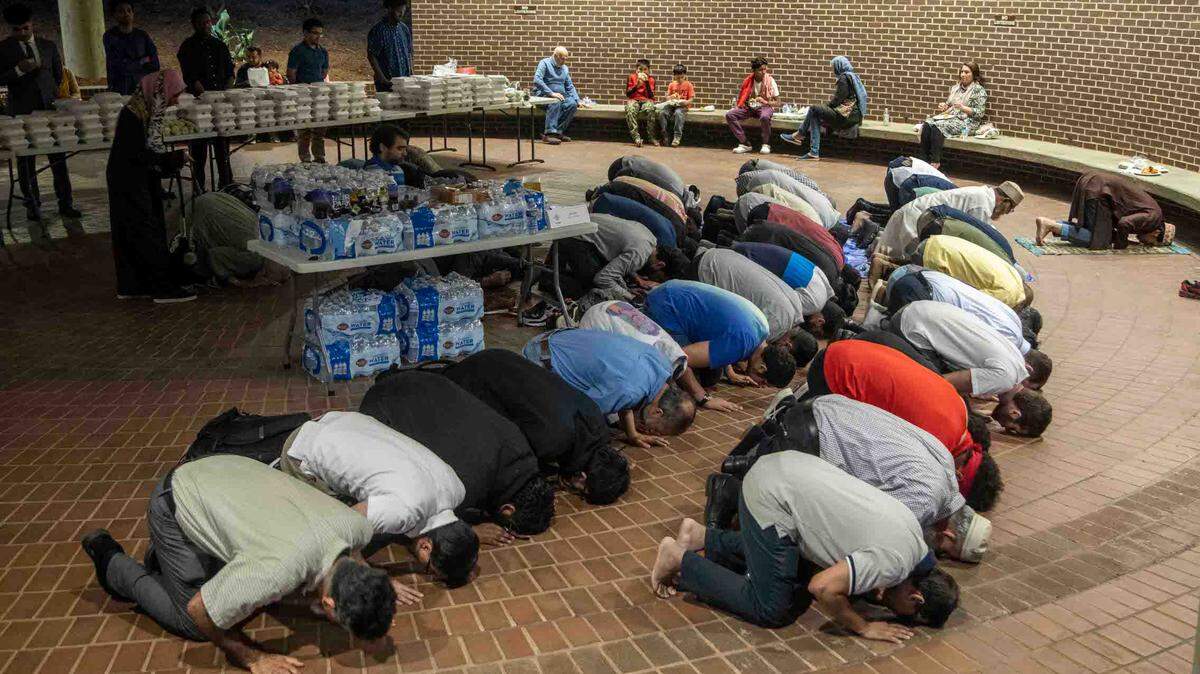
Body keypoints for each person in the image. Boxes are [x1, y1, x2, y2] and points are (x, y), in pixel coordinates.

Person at [80, 455, 397, 671]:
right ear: (328, 604)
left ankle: (168, 558)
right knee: (196, 624)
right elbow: (200, 609)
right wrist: (252, 657)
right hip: (178, 495)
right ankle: (111, 561)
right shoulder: (276, 572)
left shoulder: (357, 527)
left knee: (258, 590)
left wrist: (376, 598)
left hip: (233, 470)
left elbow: (355, 560)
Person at [651, 451, 958, 636]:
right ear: (916, 598)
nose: (892, 611)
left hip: (789, 469)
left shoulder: (915, 537)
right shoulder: (895, 563)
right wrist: (862, 627)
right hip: (771, 493)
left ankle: (701, 537)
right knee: (770, 606)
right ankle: (679, 559)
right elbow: (822, 587)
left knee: (793, 570)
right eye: (905, 613)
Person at [761, 394, 992, 561]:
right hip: (814, 435)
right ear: (948, 536)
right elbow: (867, 531)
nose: (936, 551)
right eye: (943, 551)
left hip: (825, 404)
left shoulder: (946, 463)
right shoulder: (926, 502)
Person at [278, 411, 479, 588]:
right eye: (429, 569)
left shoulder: (457, 488)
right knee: (321, 539)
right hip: (302, 449)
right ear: (426, 546)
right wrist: (374, 577)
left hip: (343, 419)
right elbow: (344, 528)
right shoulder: (402, 511)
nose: (425, 571)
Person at [360, 370, 556, 546]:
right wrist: (470, 532)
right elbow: (419, 515)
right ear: (507, 510)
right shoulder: (465, 485)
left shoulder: (522, 449)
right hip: (381, 407)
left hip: (420, 379)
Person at [803, 340, 1003, 512]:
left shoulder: (961, 409)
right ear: (958, 476)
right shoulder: (935, 447)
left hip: (852, 351)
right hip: (834, 374)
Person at [437, 349, 631, 505]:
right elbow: (511, 459)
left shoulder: (596, 420)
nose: (574, 489)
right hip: (471, 380)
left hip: (499, 358)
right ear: (581, 476)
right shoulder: (552, 441)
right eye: (580, 489)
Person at [888, 301, 1053, 436]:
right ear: (1015, 413)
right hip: (913, 325)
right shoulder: (1004, 378)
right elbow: (941, 384)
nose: (1001, 425)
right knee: (927, 393)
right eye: (1010, 428)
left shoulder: (1017, 364)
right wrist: (965, 417)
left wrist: (970, 412)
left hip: (923, 310)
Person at [522, 328, 696, 448]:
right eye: (656, 430)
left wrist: (632, 434)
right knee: (563, 427)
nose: (651, 431)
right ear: (658, 412)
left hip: (557, 339)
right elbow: (583, 417)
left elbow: (624, 396)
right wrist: (604, 458)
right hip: (538, 357)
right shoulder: (630, 389)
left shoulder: (663, 367)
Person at [107, 70, 194, 303]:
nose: (175, 100)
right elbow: (138, 155)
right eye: (174, 94)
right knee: (145, 230)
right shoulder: (132, 115)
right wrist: (174, 159)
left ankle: (134, 285)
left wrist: (169, 161)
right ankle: (161, 288)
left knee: (136, 230)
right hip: (129, 181)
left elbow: (147, 154)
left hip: (136, 177)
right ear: (160, 90)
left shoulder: (147, 113)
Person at [579, 300, 742, 414]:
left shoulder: (668, 352)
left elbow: (683, 368)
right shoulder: (636, 371)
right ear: (657, 412)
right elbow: (611, 392)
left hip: (617, 308)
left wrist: (704, 400)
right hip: (597, 319)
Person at [0, 3, 79, 233]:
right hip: (22, 112)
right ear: (10, 29)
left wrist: (54, 94)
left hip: (49, 110)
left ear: (32, 24)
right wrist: (19, 70)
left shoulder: (48, 46)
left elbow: (57, 74)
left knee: (58, 159)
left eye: (25, 28)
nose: (22, 33)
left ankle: (66, 203)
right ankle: (32, 206)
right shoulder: (4, 49)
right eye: (17, 30)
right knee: (26, 162)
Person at [644, 280, 797, 389]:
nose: (760, 386)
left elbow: (725, 335)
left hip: (675, 291)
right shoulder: (741, 344)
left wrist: (730, 372)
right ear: (762, 368)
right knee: (686, 380)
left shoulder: (763, 330)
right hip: (665, 304)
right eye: (764, 383)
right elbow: (680, 357)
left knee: (712, 373)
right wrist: (703, 399)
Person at [690, 247, 828, 346]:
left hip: (720, 255)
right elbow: (735, 341)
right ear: (788, 343)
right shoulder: (778, 324)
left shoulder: (795, 304)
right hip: (706, 270)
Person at [882, 265, 1032, 354]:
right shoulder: (1007, 344)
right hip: (917, 291)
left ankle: (881, 302)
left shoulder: (1014, 320)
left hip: (920, 275)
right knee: (900, 349)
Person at [874, 181, 1024, 261]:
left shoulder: (984, 196)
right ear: (1004, 201)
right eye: (1009, 209)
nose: (1006, 213)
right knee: (902, 259)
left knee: (890, 252)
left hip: (917, 214)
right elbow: (976, 236)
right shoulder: (983, 204)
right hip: (916, 218)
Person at [1034, 171, 1176, 250]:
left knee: (1097, 232)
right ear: (1157, 232)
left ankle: (1053, 224)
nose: (1145, 242)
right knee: (1098, 241)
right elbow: (1124, 223)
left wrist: (1120, 238)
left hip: (1095, 184)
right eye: (1150, 242)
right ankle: (1052, 226)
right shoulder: (1153, 218)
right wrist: (1122, 245)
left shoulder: (1153, 214)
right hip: (1100, 191)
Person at [177, 8, 234, 189]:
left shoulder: (220, 45)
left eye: (208, 22)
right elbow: (187, 75)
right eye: (201, 23)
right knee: (199, 153)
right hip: (198, 104)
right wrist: (196, 85)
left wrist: (226, 91)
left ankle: (226, 186)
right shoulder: (187, 47)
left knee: (223, 152)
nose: (206, 26)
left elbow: (230, 72)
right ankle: (200, 189)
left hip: (220, 104)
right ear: (193, 24)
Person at [183, 190, 288, 288]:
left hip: (210, 199)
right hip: (193, 217)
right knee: (204, 266)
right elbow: (215, 256)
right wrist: (243, 283)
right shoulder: (256, 259)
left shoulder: (269, 234)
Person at [550, 213, 660, 305]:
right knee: (593, 289)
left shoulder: (650, 238)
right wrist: (630, 296)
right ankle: (551, 284)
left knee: (612, 282)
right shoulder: (641, 252)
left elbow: (627, 259)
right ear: (661, 265)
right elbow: (602, 279)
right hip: (573, 235)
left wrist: (631, 284)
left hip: (579, 224)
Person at [782, 56, 868, 161]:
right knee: (815, 116)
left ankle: (799, 134)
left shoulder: (844, 78)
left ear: (838, 67)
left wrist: (824, 107)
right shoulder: (853, 77)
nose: (833, 70)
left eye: (834, 67)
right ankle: (813, 152)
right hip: (853, 116)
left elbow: (837, 101)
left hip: (846, 116)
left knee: (814, 108)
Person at [912, 235, 1031, 309]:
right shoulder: (1009, 295)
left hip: (938, 243)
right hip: (936, 257)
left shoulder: (1015, 276)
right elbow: (971, 304)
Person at [919, 62, 988, 168]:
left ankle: (935, 162)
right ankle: (923, 160)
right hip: (951, 118)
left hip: (968, 122)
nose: (963, 75)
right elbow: (950, 105)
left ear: (974, 75)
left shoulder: (979, 91)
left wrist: (963, 108)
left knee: (938, 126)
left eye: (966, 72)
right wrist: (944, 106)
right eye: (962, 72)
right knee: (928, 124)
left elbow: (980, 113)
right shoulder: (956, 88)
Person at [289, 18, 330, 163]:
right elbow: (291, 73)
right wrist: (300, 89)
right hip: (303, 95)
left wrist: (317, 83)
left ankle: (319, 157)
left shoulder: (323, 52)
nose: (318, 36)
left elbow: (324, 71)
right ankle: (305, 159)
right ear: (305, 33)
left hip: (319, 95)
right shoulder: (297, 51)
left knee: (319, 129)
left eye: (320, 33)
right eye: (314, 33)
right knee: (304, 131)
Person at [103, 0, 160, 96]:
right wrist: (142, 61)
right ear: (115, 15)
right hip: (120, 86)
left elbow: (154, 63)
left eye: (129, 11)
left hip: (143, 86)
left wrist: (134, 64)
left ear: (133, 13)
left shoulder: (142, 36)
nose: (126, 14)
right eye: (121, 11)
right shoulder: (110, 36)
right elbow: (119, 65)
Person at [725, 56, 778, 155]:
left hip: (765, 107)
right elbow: (743, 97)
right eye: (760, 70)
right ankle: (745, 143)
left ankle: (766, 144)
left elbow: (778, 102)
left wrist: (765, 101)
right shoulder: (748, 81)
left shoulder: (770, 81)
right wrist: (748, 102)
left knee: (765, 117)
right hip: (750, 107)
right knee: (730, 115)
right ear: (754, 70)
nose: (763, 72)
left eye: (765, 69)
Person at [532, 47, 579, 145]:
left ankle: (558, 132)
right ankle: (549, 133)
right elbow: (537, 80)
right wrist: (551, 93)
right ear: (555, 56)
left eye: (566, 58)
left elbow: (569, 86)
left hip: (560, 96)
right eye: (562, 58)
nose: (564, 61)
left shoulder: (565, 68)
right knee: (555, 100)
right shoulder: (544, 63)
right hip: (543, 95)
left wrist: (577, 99)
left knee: (572, 104)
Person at [367, 0, 412, 92]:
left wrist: (410, 73)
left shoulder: (404, 29)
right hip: (387, 83)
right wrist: (382, 78)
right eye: (398, 12)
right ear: (390, 9)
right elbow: (372, 55)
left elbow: (408, 53)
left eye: (403, 11)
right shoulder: (379, 30)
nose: (401, 14)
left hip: (404, 81)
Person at [624, 58, 657, 147]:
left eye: (645, 69)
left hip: (646, 100)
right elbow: (628, 94)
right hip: (634, 100)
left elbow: (651, 96)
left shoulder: (651, 79)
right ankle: (636, 138)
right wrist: (636, 85)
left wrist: (646, 82)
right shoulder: (631, 77)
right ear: (636, 70)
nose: (642, 72)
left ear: (649, 70)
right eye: (640, 69)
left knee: (651, 108)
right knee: (630, 109)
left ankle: (651, 136)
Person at [659, 64, 693, 147]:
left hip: (683, 106)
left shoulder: (689, 85)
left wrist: (685, 102)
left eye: (682, 77)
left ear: (685, 75)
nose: (680, 79)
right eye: (677, 77)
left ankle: (677, 136)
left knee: (678, 113)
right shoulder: (671, 85)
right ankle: (665, 134)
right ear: (674, 76)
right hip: (672, 105)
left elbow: (691, 99)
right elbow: (667, 98)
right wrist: (671, 97)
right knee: (662, 113)